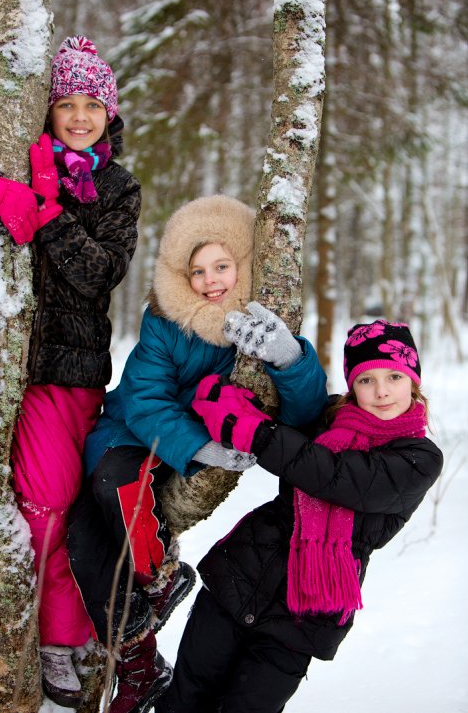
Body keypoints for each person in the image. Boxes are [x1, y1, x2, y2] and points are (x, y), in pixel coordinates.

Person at [0, 35, 141, 708]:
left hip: (73, 373)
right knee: (38, 511)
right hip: (11, 372)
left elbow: (99, 275)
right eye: (66, 103)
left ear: (110, 113)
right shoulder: (20, 160)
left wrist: (50, 214)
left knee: (63, 511)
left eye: (92, 103)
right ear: (47, 111)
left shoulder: (116, 186)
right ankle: (58, 638)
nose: (79, 116)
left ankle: (71, 640)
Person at [67, 194, 329, 713]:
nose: (211, 281)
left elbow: (304, 413)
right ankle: (143, 651)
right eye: (197, 271)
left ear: (243, 266)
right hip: (133, 431)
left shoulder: (259, 324)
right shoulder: (166, 321)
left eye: (222, 267)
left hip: (168, 445)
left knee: (115, 498)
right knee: (84, 528)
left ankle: (153, 596)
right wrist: (200, 446)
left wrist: (289, 358)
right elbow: (143, 397)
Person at [155, 316, 444, 713]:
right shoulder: (328, 420)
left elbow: (334, 476)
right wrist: (264, 382)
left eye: (393, 377)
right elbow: (299, 404)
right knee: (183, 702)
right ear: (352, 385)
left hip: (304, 617)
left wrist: (256, 432)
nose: (381, 392)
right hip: (238, 577)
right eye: (365, 380)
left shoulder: (419, 458)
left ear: (413, 379)